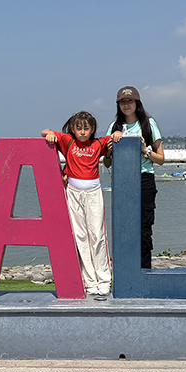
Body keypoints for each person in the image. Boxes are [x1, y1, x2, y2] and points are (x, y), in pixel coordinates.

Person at [42, 112, 122, 296]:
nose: (83, 132)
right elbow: (44, 131)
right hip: (73, 193)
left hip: (93, 193)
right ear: (73, 129)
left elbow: (114, 137)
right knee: (80, 236)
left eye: (86, 128)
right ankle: (89, 280)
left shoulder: (98, 144)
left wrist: (117, 134)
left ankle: (104, 279)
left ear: (92, 129)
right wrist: (50, 134)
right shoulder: (68, 141)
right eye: (79, 128)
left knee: (97, 235)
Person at [106, 86, 165, 268]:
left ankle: (144, 269)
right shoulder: (114, 127)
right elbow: (106, 163)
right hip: (122, 181)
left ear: (137, 103)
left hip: (144, 179)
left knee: (144, 227)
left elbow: (161, 159)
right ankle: (125, 269)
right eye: (122, 102)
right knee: (123, 226)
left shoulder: (148, 124)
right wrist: (109, 151)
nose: (126, 105)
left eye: (130, 101)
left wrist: (144, 150)